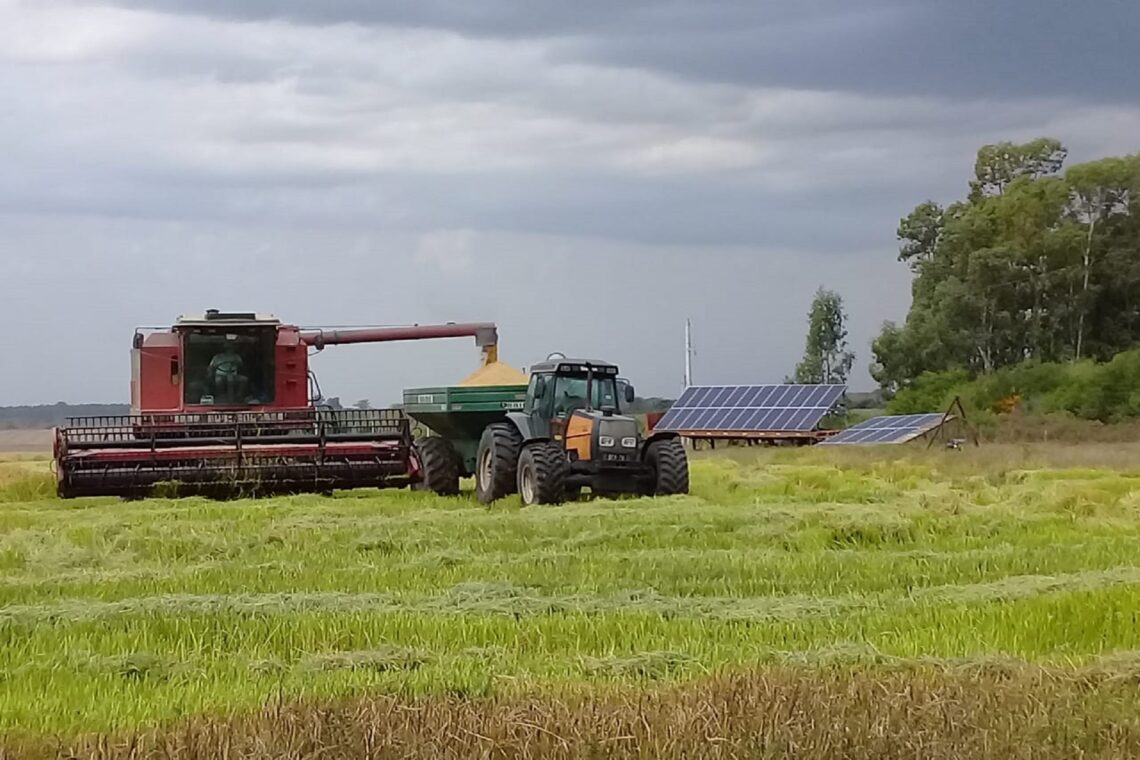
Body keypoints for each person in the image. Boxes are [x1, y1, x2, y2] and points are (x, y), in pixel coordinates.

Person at [208, 340, 247, 404]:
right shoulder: (217, 357)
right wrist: (210, 375)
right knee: (218, 381)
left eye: (231, 348)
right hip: (220, 375)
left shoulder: (236, 356)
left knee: (244, 379)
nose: (230, 350)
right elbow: (211, 367)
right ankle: (220, 397)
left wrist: (236, 362)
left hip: (233, 375)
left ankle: (238, 396)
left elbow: (241, 366)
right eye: (228, 348)